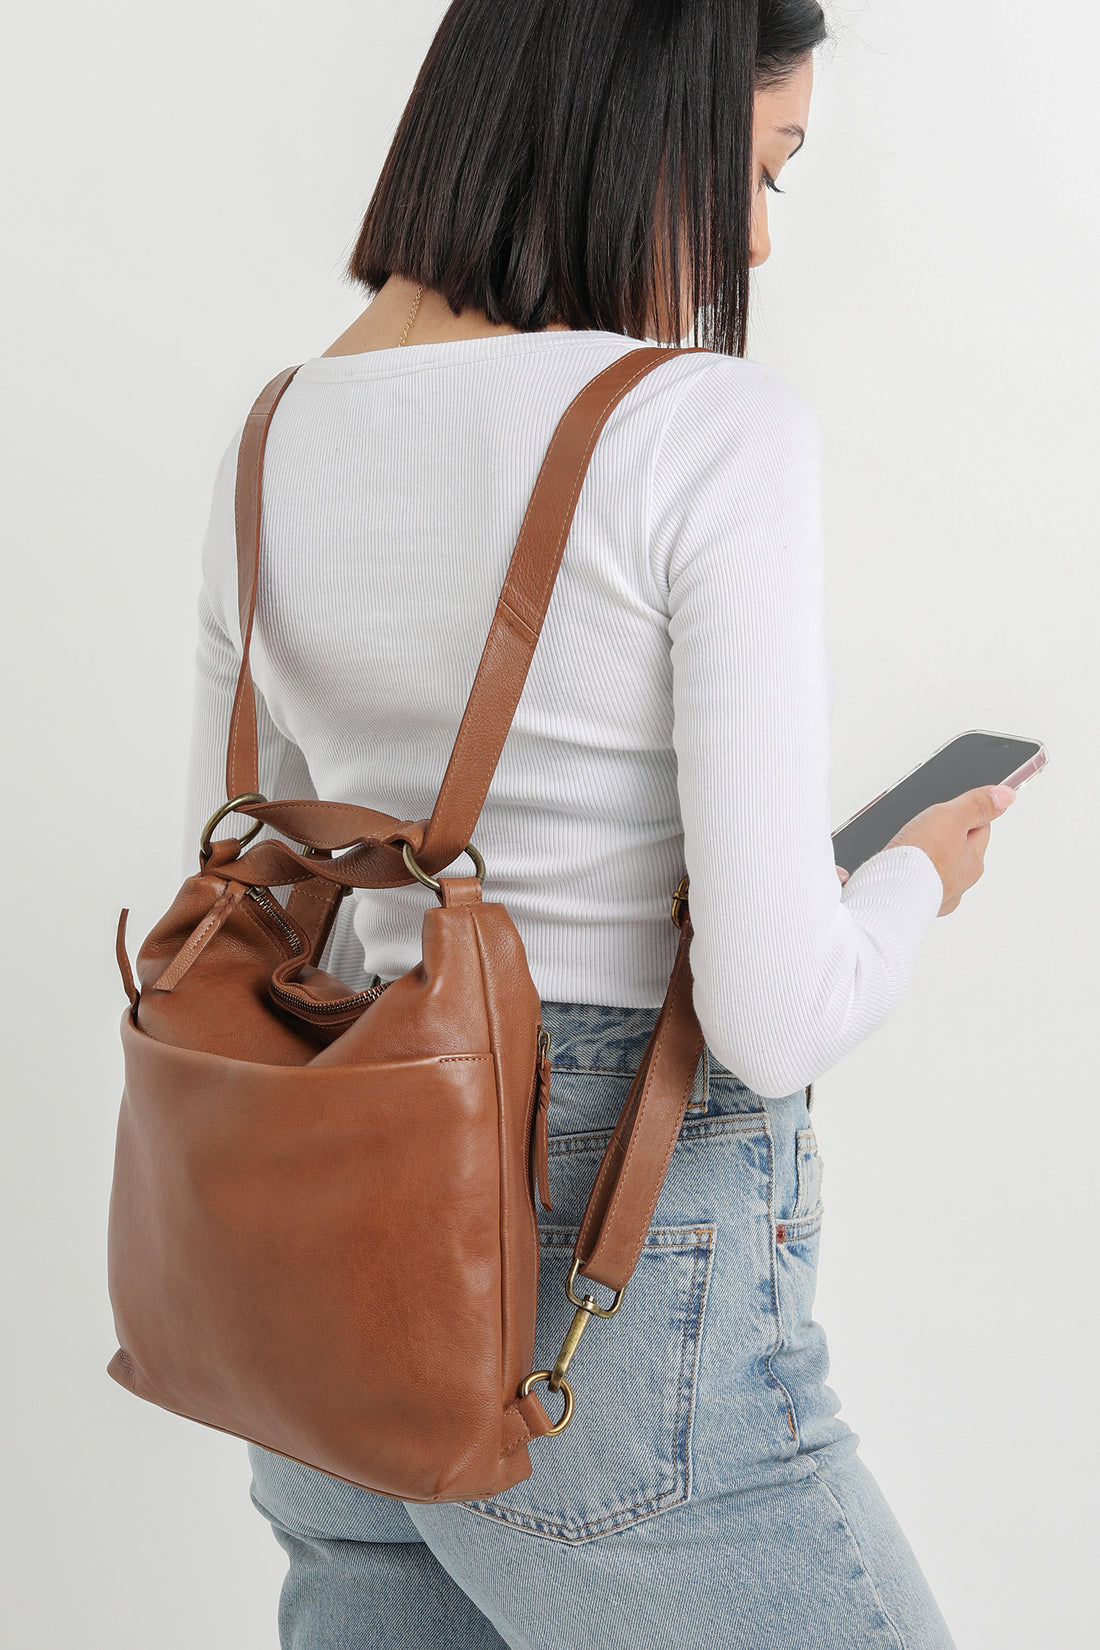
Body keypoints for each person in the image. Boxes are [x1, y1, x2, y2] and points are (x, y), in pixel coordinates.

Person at [182, 2, 1013, 1643]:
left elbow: (239, 898)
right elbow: (772, 1012)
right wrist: (915, 876)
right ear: (649, 132)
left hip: (311, 1268)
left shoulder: (267, 437)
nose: (760, 234)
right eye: (761, 166)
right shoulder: (704, 427)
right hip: (597, 1283)